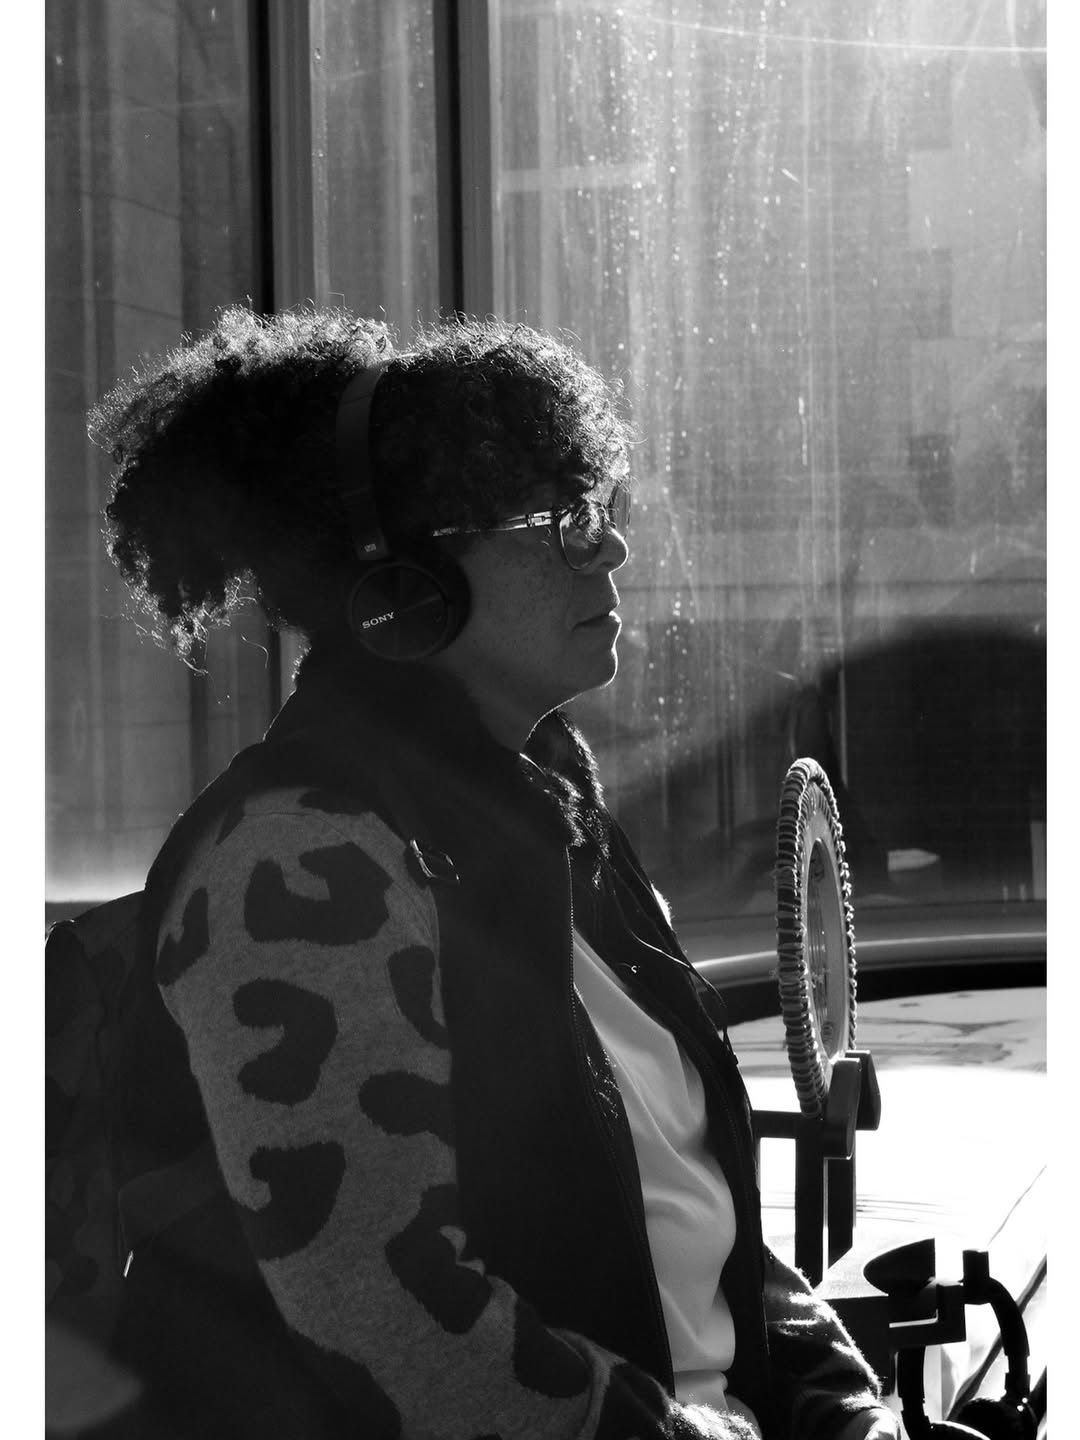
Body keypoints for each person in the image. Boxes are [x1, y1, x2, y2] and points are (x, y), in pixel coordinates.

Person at [89, 306, 899, 1440]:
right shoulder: (302, 859)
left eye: (598, 509)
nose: (609, 550)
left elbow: (679, 1200)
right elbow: (387, 1315)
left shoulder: (552, 812)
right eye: (560, 521)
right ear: (404, 581)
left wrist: (834, 1397)